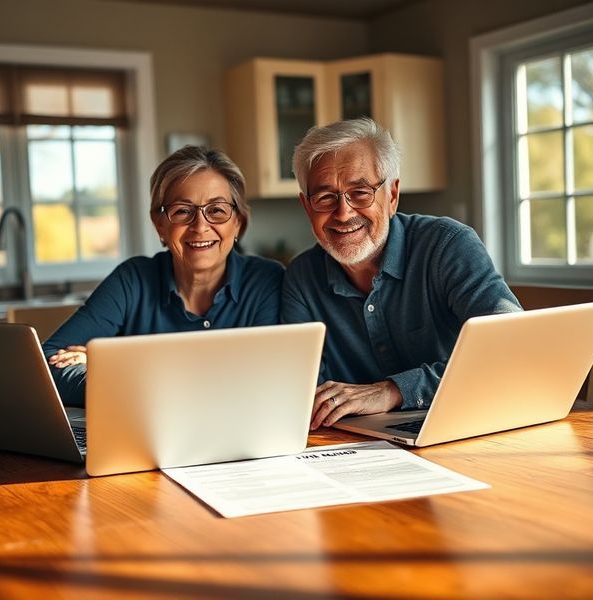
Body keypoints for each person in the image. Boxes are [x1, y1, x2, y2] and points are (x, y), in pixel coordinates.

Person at [282, 118, 520, 430]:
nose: (343, 213)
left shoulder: (447, 245)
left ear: (392, 195)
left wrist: (393, 391)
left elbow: (510, 348)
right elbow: (303, 393)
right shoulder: (301, 278)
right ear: (306, 206)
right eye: (325, 197)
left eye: (361, 191)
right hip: (361, 446)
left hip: (471, 425)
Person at [44, 145, 284, 406]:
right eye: (182, 211)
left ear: (237, 221)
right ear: (160, 224)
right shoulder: (132, 281)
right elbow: (48, 363)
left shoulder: (267, 281)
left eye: (217, 210)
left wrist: (115, 369)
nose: (200, 226)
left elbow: (265, 382)